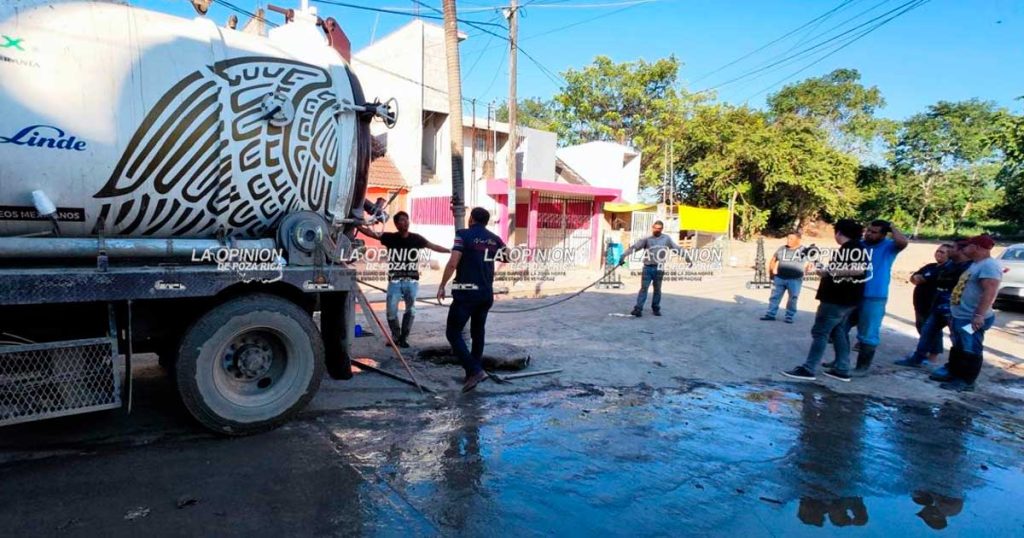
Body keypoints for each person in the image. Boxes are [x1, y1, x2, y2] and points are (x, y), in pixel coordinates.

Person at [782, 219, 868, 382]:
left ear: (839, 233)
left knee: (821, 332)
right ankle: (842, 368)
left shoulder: (853, 247)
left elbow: (857, 270)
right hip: (847, 299)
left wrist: (829, 272)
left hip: (837, 299)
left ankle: (809, 369)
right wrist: (823, 268)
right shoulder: (855, 247)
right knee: (838, 331)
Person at [437, 207, 507, 392]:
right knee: (478, 332)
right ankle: (473, 373)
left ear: (472, 219)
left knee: (453, 332)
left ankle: (475, 370)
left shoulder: (463, 235)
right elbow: (508, 256)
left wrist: (442, 285)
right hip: (485, 293)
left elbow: (453, 262)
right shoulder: (494, 238)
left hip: (467, 293)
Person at [359, 211, 450, 348]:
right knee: (391, 311)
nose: (405, 222)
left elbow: (433, 246)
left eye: (406, 220)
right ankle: (396, 336)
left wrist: (450, 251)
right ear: (396, 224)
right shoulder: (390, 237)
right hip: (395, 281)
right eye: (401, 220)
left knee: (410, 310)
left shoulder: (416, 239)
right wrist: (356, 225)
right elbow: (371, 234)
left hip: (411, 281)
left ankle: (404, 338)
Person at [933, 234, 1002, 392]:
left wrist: (979, 316)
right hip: (961, 316)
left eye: (968, 246)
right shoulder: (976, 264)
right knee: (959, 345)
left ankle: (967, 381)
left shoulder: (989, 266)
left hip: (972, 319)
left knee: (970, 348)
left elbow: (989, 292)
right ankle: (954, 374)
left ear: (977, 248)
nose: (965, 249)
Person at [847, 219, 909, 373]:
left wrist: (892, 227)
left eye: (874, 232)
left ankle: (862, 367)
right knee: (840, 328)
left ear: (884, 235)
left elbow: (903, 242)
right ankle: (840, 361)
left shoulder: (889, 246)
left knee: (868, 334)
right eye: (868, 230)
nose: (869, 234)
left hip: (874, 296)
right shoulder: (860, 245)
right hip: (854, 294)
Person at [896, 241, 970, 368]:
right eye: (938, 251)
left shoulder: (963, 268)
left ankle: (954, 366)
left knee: (959, 337)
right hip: (931, 305)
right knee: (926, 331)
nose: (939, 254)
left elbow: (924, 278)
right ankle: (918, 358)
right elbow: (914, 278)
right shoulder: (935, 266)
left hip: (950, 308)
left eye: (944, 251)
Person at [620, 220, 688, 317]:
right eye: (655, 228)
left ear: (662, 229)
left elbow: (676, 248)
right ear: (652, 227)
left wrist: (686, 257)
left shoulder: (666, 239)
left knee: (657, 289)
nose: (657, 230)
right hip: (647, 268)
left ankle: (656, 308)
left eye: (659, 229)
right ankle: (638, 309)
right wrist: (623, 255)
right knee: (644, 289)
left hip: (659, 268)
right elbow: (635, 247)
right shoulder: (647, 238)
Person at [760, 231, 813, 323]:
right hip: (780, 278)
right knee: (775, 297)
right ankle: (770, 314)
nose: (788, 240)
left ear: (798, 240)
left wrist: (809, 266)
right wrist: (771, 273)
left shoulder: (804, 250)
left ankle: (789, 316)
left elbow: (812, 260)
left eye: (791, 239)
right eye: (788, 238)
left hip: (795, 279)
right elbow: (773, 259)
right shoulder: (782, 249)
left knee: (793, 298)